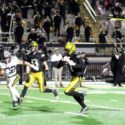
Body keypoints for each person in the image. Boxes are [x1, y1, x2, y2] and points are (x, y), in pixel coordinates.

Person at [58, 42, 88, 113]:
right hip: (74, 77)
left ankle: (82, 94)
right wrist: (62, 61)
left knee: (67, 91)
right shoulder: (66, 56)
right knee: (73, 94)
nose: (66, 51)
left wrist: (72, 63)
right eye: (66, 50)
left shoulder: (77, 56)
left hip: (78, 76)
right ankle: (84, 106)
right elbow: (58, 66)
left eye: (67, 50)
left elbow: (83, 66)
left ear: (71, 49)